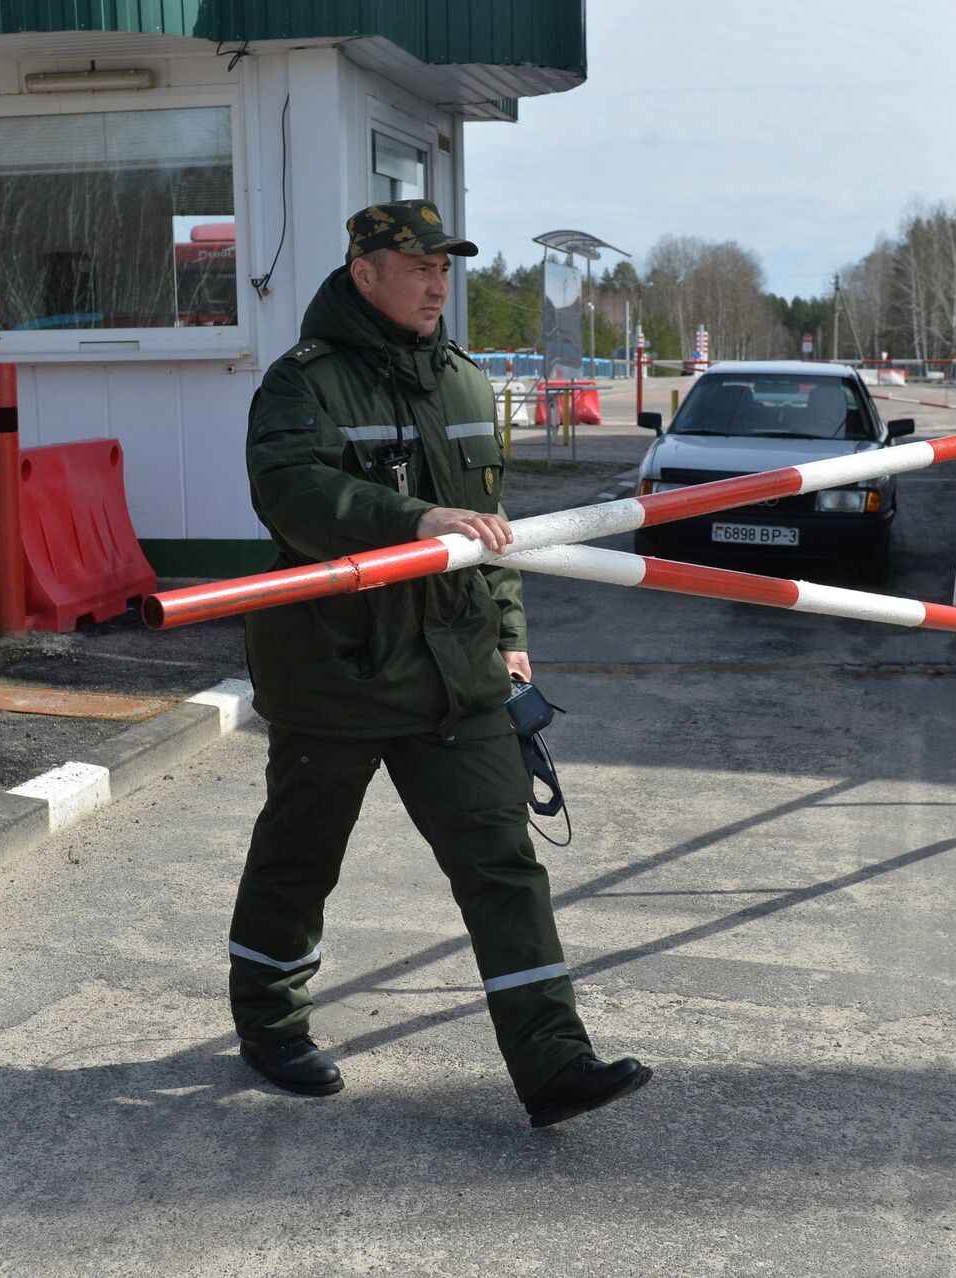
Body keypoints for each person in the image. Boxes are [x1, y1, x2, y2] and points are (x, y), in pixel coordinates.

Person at [228, 199, 651, 1128]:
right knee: (300, 859)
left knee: (502, 863)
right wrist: (409, 519)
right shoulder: (303, 383)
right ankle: (269, 1022)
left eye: (445, 267)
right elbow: (291, 495)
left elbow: (492, 530)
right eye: (417, 266)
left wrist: (508, 633)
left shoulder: (464, 382)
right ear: (364, 269)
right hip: (335, 666)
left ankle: (553, 1063)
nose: (436, 283)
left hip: (456, 668)